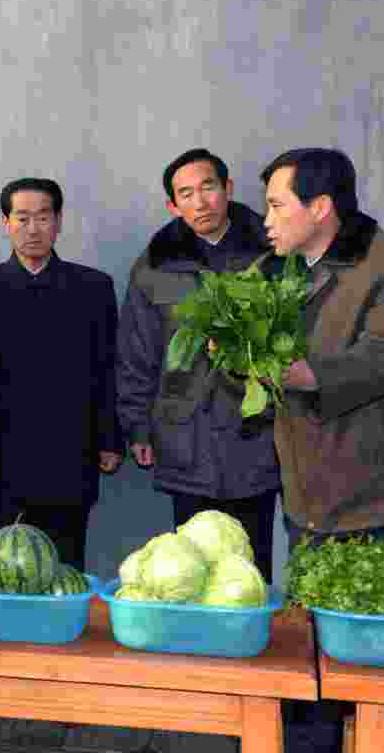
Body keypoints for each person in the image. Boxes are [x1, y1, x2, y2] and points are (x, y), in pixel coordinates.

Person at [259, 148, 384, 753]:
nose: (264, 219)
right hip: (310, 501)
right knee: (310, 669)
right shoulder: (274, 271)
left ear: (320, 208)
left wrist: (303, 374)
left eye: (275, 205)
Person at [116, 148, 281, 583]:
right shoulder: (154, 265)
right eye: (185, 194)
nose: (200, 201)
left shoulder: (273, 252)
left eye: (208, 187)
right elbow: (137, 352)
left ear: (228, 189)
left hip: (256, 436)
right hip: (184, 436)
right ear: (173, 205)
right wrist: (137, 425)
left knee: (250, 564)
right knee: (191, 566)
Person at [0, 178, 123, 570]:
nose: (33, 229)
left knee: (64, 566)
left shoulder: (92, 288)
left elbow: (109, 367)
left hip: (69, 454)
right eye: (22, 218)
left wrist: (110, 438)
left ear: (58, 221)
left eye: (43, 217)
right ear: (5, 223)